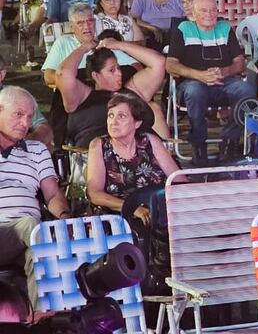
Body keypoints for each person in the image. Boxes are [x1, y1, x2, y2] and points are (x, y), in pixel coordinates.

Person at [166, 0, 255, 166]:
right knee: (195, 90)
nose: (210, 14)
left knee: (246, 90)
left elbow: (240, 62)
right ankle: (198, 145)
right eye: (204, 10)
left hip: (224, 81)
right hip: (193, 82)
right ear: (194, 13)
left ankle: (229, 141)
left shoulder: (224, 28)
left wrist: (225, 71)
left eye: (213, 10)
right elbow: (170, 64)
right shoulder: (184, 29)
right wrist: (199, 75)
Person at [0, 86, 70, 306]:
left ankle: (44, 316)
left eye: (30, 117)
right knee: (33, 228)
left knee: (42, 244)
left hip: (29, 236)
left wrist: (64, 217)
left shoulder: (37, 150)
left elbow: (52, 194)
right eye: (18, 114)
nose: (25, 123)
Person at [57, 33, 168, 147]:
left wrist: (119, 45)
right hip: (100, 151)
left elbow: (158, 62)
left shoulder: (131, 91)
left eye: (118, 68)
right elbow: (63, 74)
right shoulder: (82, 97)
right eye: (112, 70)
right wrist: (83, 48)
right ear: (96, 75)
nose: (119, 73)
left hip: (143, 149)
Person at [86, 91, 179, 221]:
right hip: (119, 217)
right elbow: (94, 194)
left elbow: (178, 180)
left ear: (137, 123)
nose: (113, 122)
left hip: (158, 213)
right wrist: (132, 208)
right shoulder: (99, 146)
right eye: (111, 115)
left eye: (121, 116)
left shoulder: (150, 141)